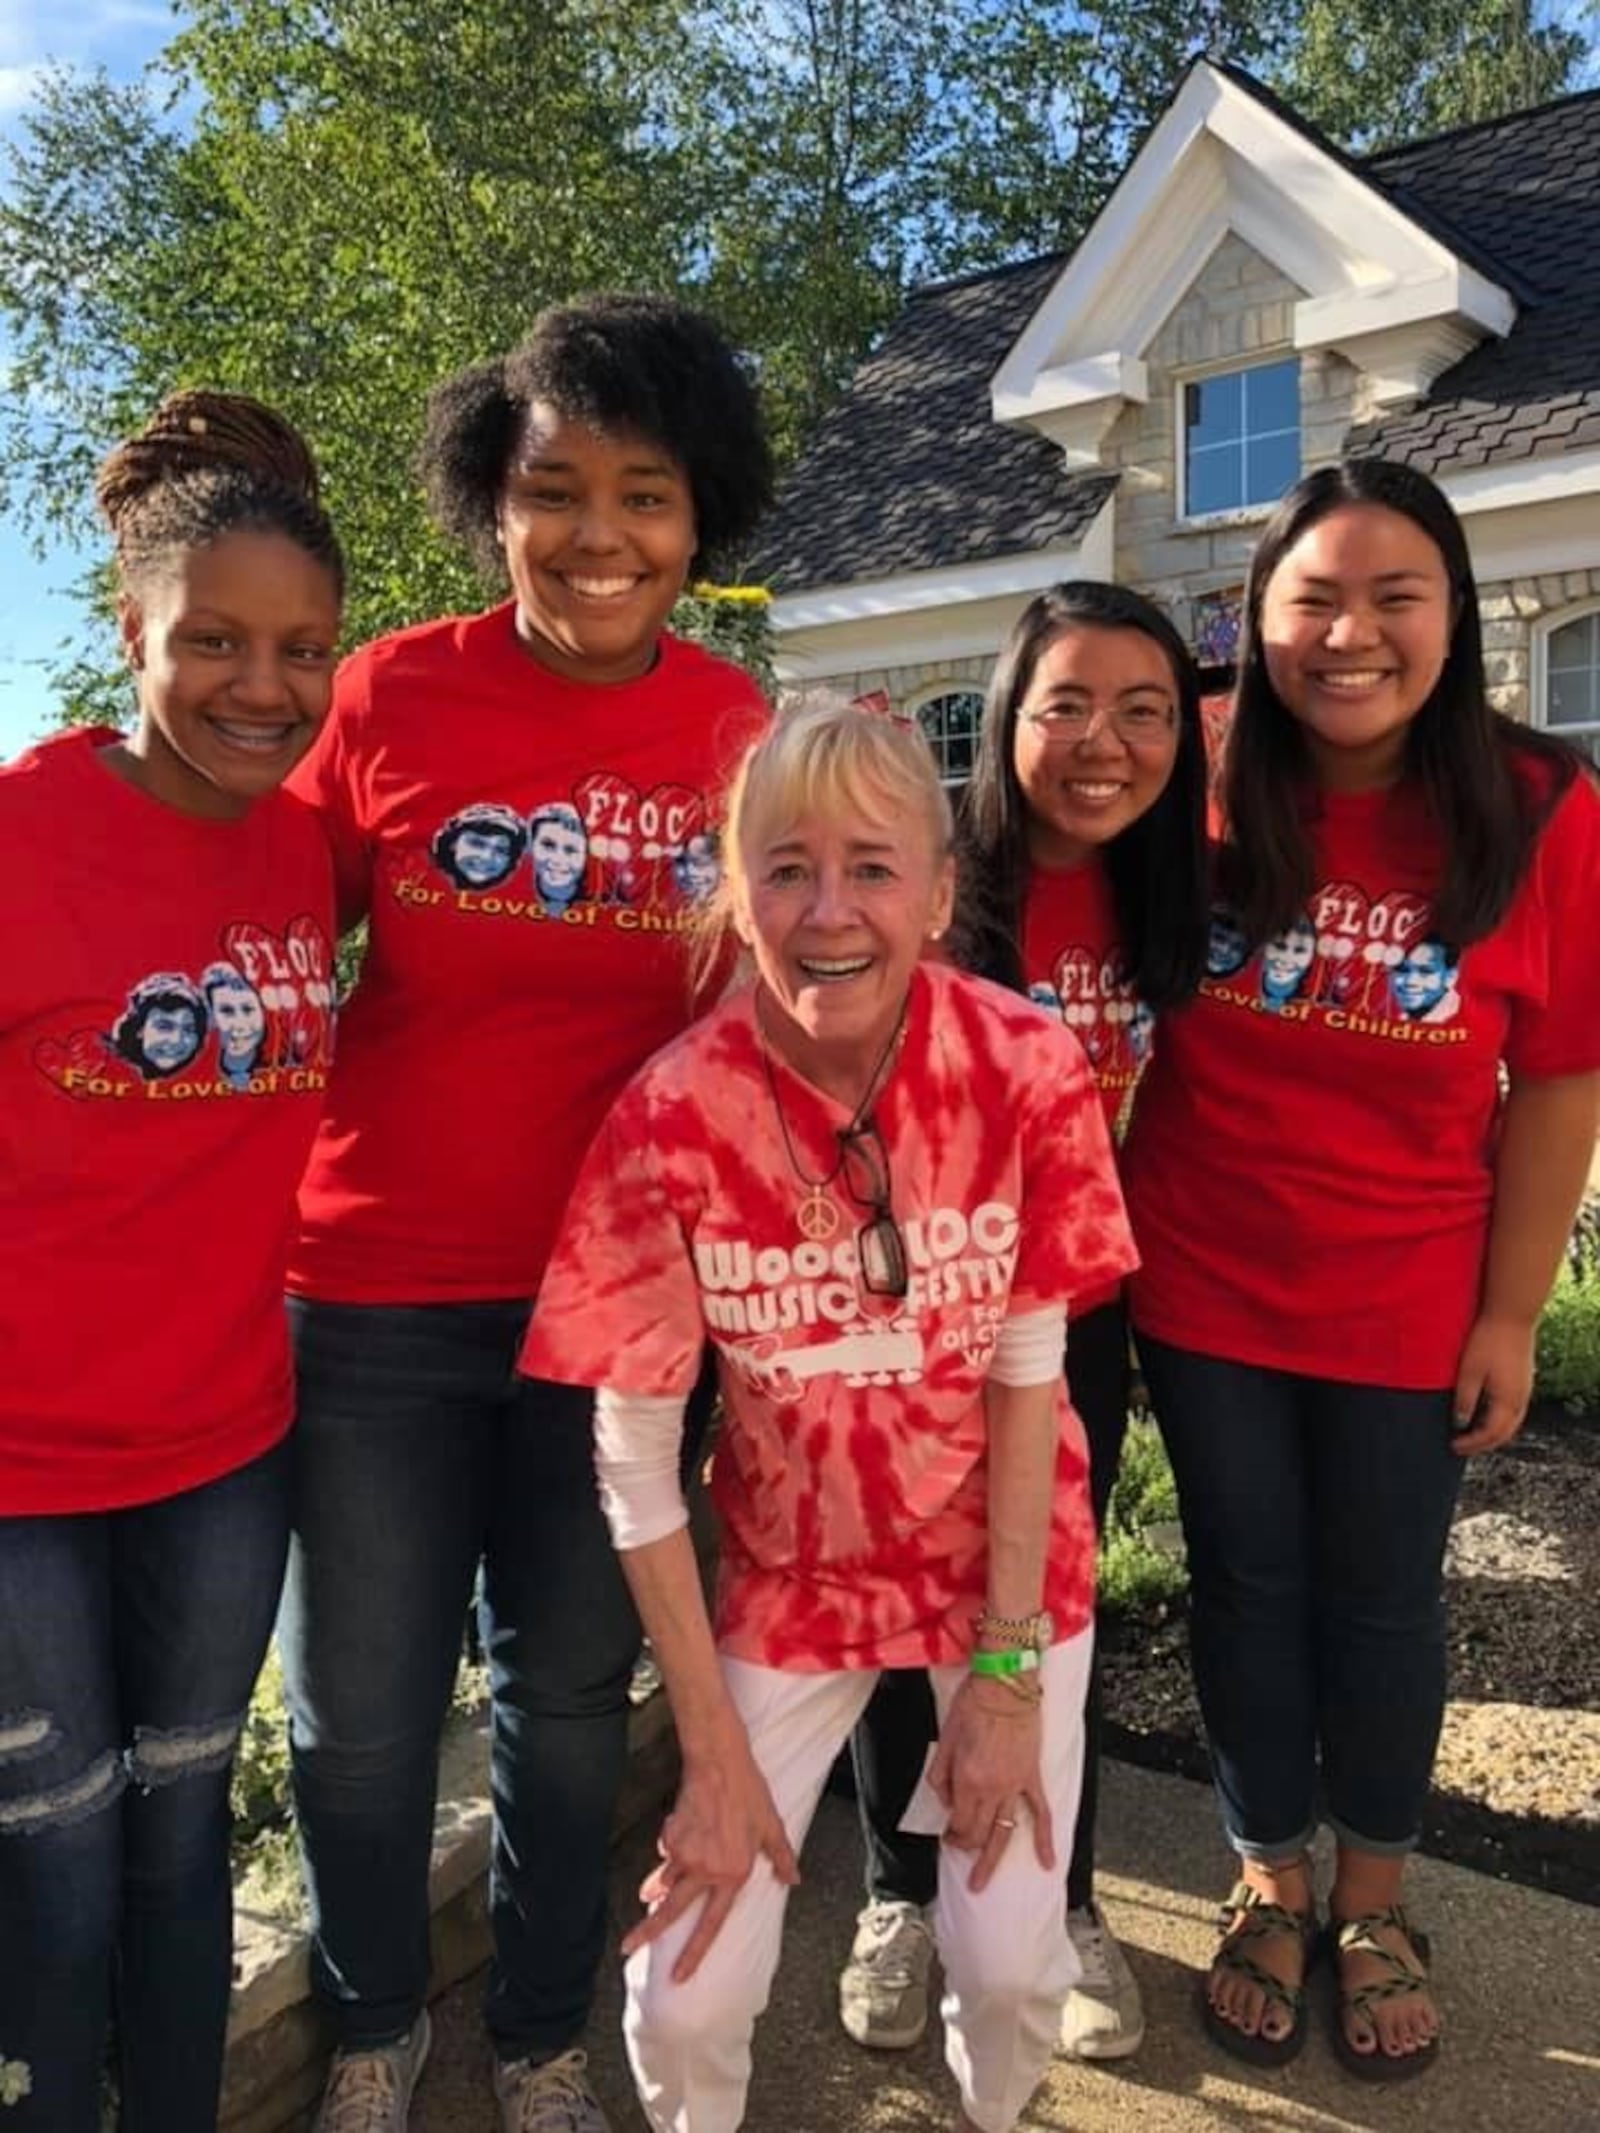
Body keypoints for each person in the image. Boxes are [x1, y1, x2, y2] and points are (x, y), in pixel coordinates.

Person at [281, 295, 773, 2133]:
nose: (596, 535)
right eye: (554, 488)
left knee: (568, 1705)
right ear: (493, 496)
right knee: (356, 1715)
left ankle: (543, 2032)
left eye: (643, 495)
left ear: (697, 514)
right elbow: (252, 935)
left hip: (622, 1325)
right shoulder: (388, 694)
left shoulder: (737, 728)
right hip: (374, 1298)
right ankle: (367, 2027)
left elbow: (782, 1019)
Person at [521, 699, 1138, 2133]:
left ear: (938, 890)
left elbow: (1030, 1368)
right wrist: (709, 1754)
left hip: (1000, 1568)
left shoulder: (1027, 1064)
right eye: (785, 867)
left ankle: (996, 2111)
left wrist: (1000, 1674)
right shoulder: (670, 1117)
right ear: (736, 896)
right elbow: (631, 1454)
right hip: (791, 1579)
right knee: (681, 1985)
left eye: (872, 866)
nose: (828, 909)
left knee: (1003, 1970)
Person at [1123, 459, 1600, 2083]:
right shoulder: (1184, 775)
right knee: (1249, 1585)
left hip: (1406, 1297)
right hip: (1201, 1286)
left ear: (1453, 616)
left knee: (1385, 1600)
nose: (1352, 633)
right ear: (1255, 618)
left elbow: (1560, 1077)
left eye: (1396, 596)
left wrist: (1512, 1313)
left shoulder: (1540, 808)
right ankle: (1269, 1879)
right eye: (1314, 597)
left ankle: (1380, 1905)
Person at [0, 390, 343, 2131]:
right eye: (210, 639)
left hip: (228, 1445)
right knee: (50, 1869)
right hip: (21, 1478)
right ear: (127, 629)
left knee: (184, 1833)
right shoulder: (20, 830)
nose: (259, 686)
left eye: (300, 649)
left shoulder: (300, 846)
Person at [838, 583, 1209, 2067]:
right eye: (1067, 704)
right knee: (896, 1606)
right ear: (1005, 718)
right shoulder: (933, 885)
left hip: (1079, 1319)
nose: (1104, 742)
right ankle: (897, 1890)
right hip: (913, 1316)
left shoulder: (1177, 896)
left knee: (1045, 1615)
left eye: (1145, 710)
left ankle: (1063, 1897)